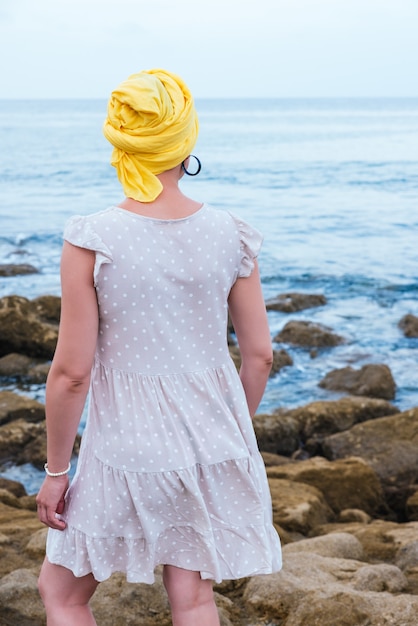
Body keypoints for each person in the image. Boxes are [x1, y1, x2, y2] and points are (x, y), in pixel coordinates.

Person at [36, 68, 282, 626]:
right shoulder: (232, 233)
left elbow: (71, 374)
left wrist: (55, 472)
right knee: (193, 599)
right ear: (185, 140)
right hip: (210, 448)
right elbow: (260, 355)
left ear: (121, 140)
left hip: (123, 451)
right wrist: (228, 438)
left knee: (63, 595)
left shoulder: (92, 238)